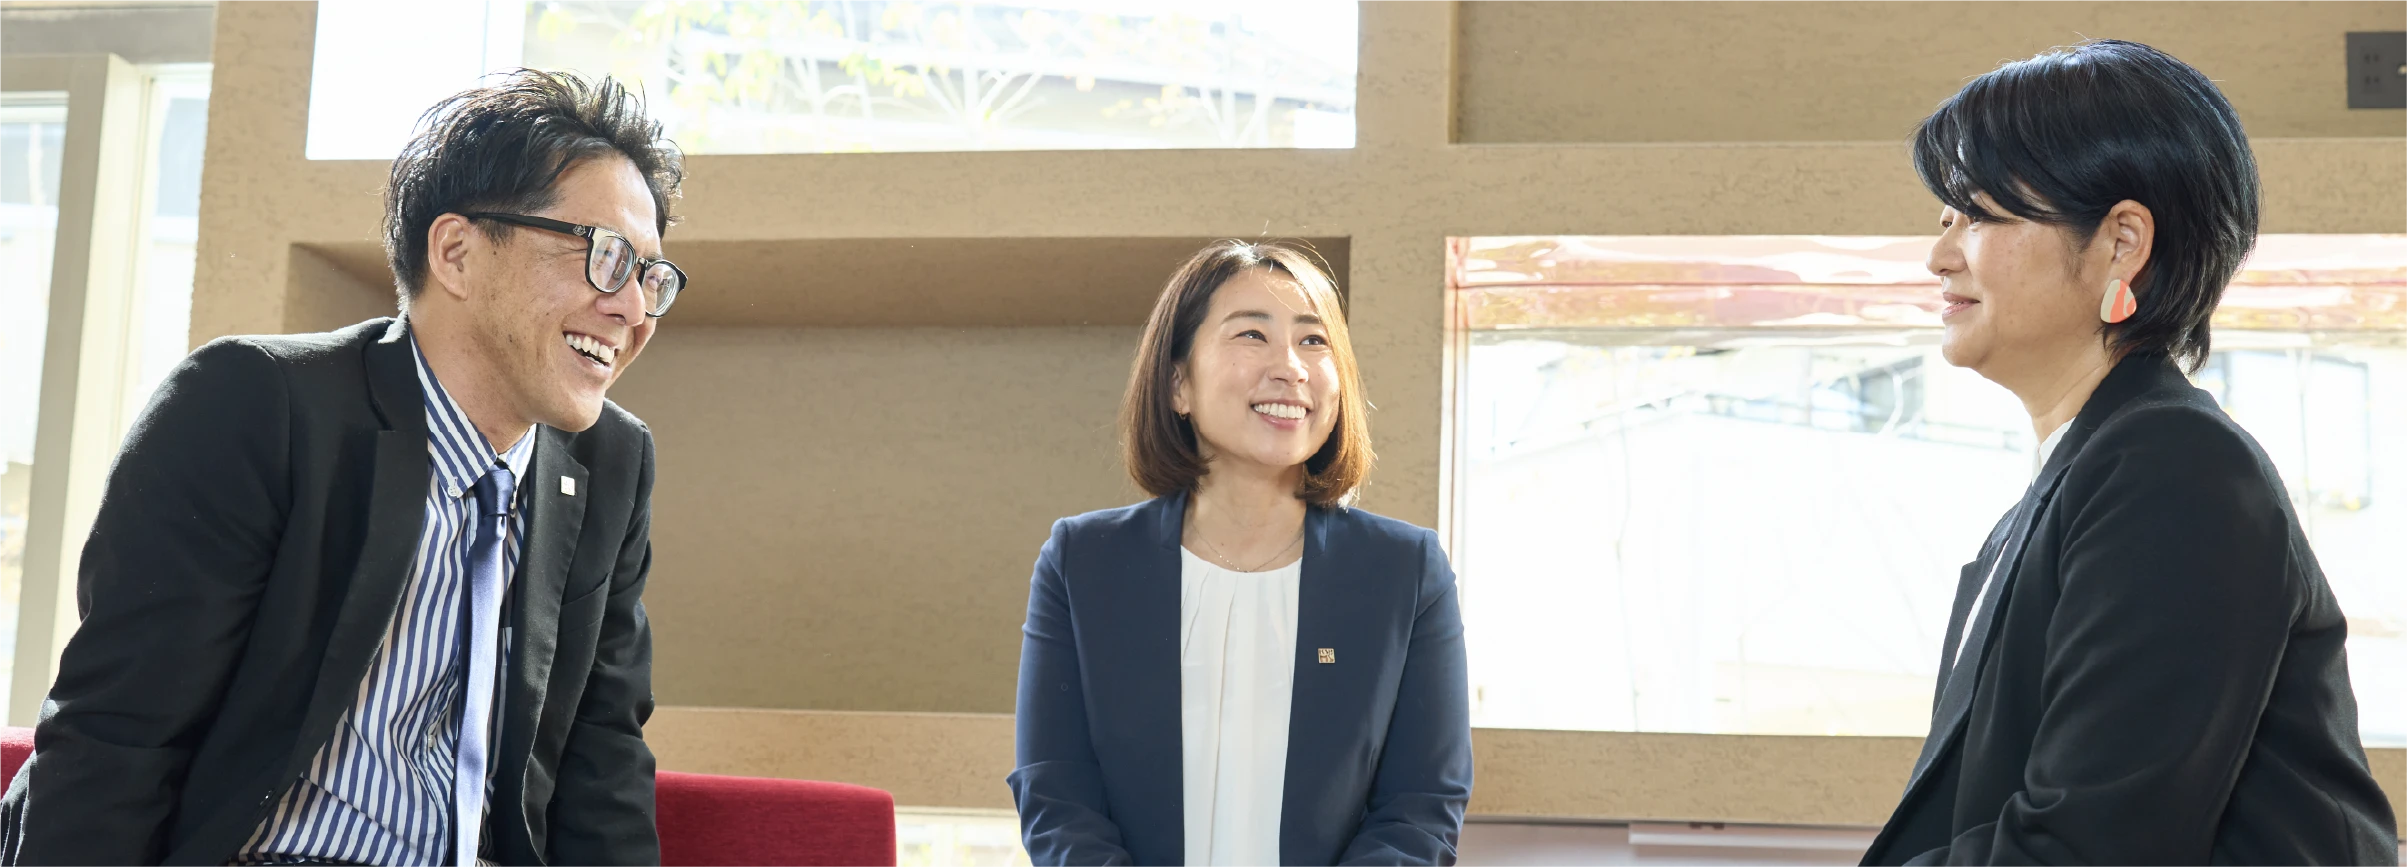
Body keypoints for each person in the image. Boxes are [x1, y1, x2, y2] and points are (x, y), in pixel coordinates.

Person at [0, 69, 684, 867]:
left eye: (650, 276)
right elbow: (119, 732)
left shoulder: (610, 462)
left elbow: (603, 754)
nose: (634, 310)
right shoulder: (256, 406)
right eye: (604, 256)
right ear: (457, 252)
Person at [1860, 40, 2397, 866]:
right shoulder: (2083, 478)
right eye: (1944, 220)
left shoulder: (2172, 470)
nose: (1938, 256)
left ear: (2120, 243)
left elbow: (2088, 846)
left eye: (1977, 214)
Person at [1009, 241, 1472, 866]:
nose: (1291, 367)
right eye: (1253, 334)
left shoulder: (1405, 570)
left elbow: (1421, 806)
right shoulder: (1083, 561)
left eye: (1314, 341)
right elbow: (1056, 793)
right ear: (1178, 384)